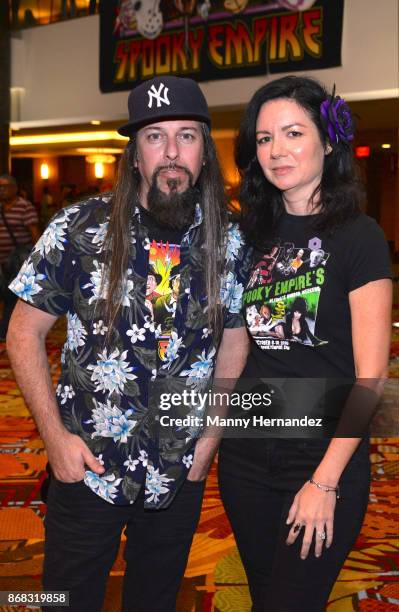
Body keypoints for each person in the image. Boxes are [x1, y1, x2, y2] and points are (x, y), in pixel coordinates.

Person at [6, 76, 250, 612]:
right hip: (86, 461)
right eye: (154, 137)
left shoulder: (229, 240)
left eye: (186, 136)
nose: (171, 153)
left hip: (179, 466)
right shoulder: (79, 228)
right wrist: (54, 439)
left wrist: (210, 438)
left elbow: (234, 342)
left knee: (157, 600)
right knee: (64, 600)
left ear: (205, 153)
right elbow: (23, 332)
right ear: (134, 155)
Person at [217, 76, 392, 611]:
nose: (276, 150)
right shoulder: (250, 235)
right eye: (264, 139)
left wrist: (325, 481)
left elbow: (371, 378)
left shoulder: (360, 236)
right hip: (246, 457)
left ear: (328, 141)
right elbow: (238, 346)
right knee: (265, 597)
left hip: (323, 456)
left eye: (293, 133)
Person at [0, 174, 40, 339]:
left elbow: (34, 233)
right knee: (5, 296)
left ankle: (6, 332)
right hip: (1, 262)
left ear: (14, 188)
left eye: (5, 187)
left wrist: (38, 258)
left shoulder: (25, 207)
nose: (1, 190)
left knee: (12, 297)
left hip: (17, 261)